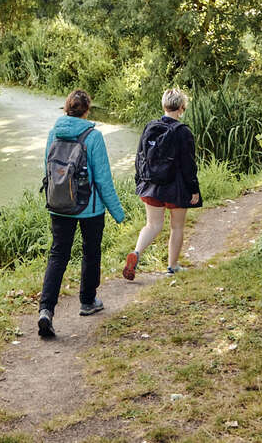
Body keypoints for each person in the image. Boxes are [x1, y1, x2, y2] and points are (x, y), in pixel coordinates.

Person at [38, 89, 125, 339]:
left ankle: (46, 310)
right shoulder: (93, 136)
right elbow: (103, 179)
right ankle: (87, 302)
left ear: (66, 109)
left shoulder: (53, 134)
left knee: (58, 254)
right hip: (90, 208)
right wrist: (118, 213)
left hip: (59, 204)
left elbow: (48, 168)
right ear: (87, 110)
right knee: (90, 250)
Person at [123, 87, 201, 281]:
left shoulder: (151, 126)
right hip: (177, 188)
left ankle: (137, 253)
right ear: (181, 108)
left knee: (152, 225)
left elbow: (139, 157)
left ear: (164, 105)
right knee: (177, 227)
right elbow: (189, 165)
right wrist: (194, 189)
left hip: (152, 186)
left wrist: (140, 181)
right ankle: (172, 266)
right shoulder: (183, 132)